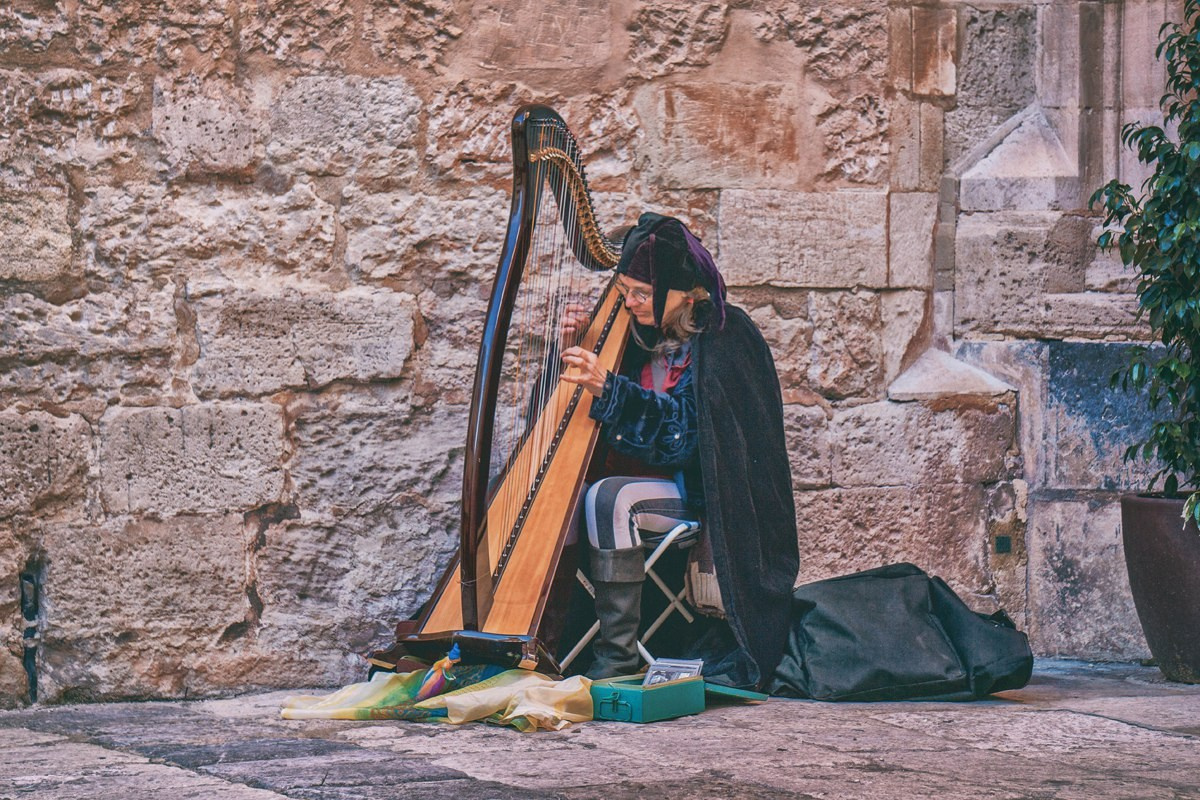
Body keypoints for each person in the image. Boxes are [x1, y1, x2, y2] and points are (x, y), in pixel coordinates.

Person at [560, 212, 799, 690]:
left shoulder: (726, 338)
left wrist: (611, 389)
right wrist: (574, 348)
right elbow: (570, 421)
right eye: (625, 289)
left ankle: (618, 653)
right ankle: (551, 637)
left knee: (608, 497)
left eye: (641, 293)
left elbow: (689, 439)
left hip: (700, 495)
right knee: (559, 495)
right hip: (641, 483)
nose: (628, 301)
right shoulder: (633, 333)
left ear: (683, 292)